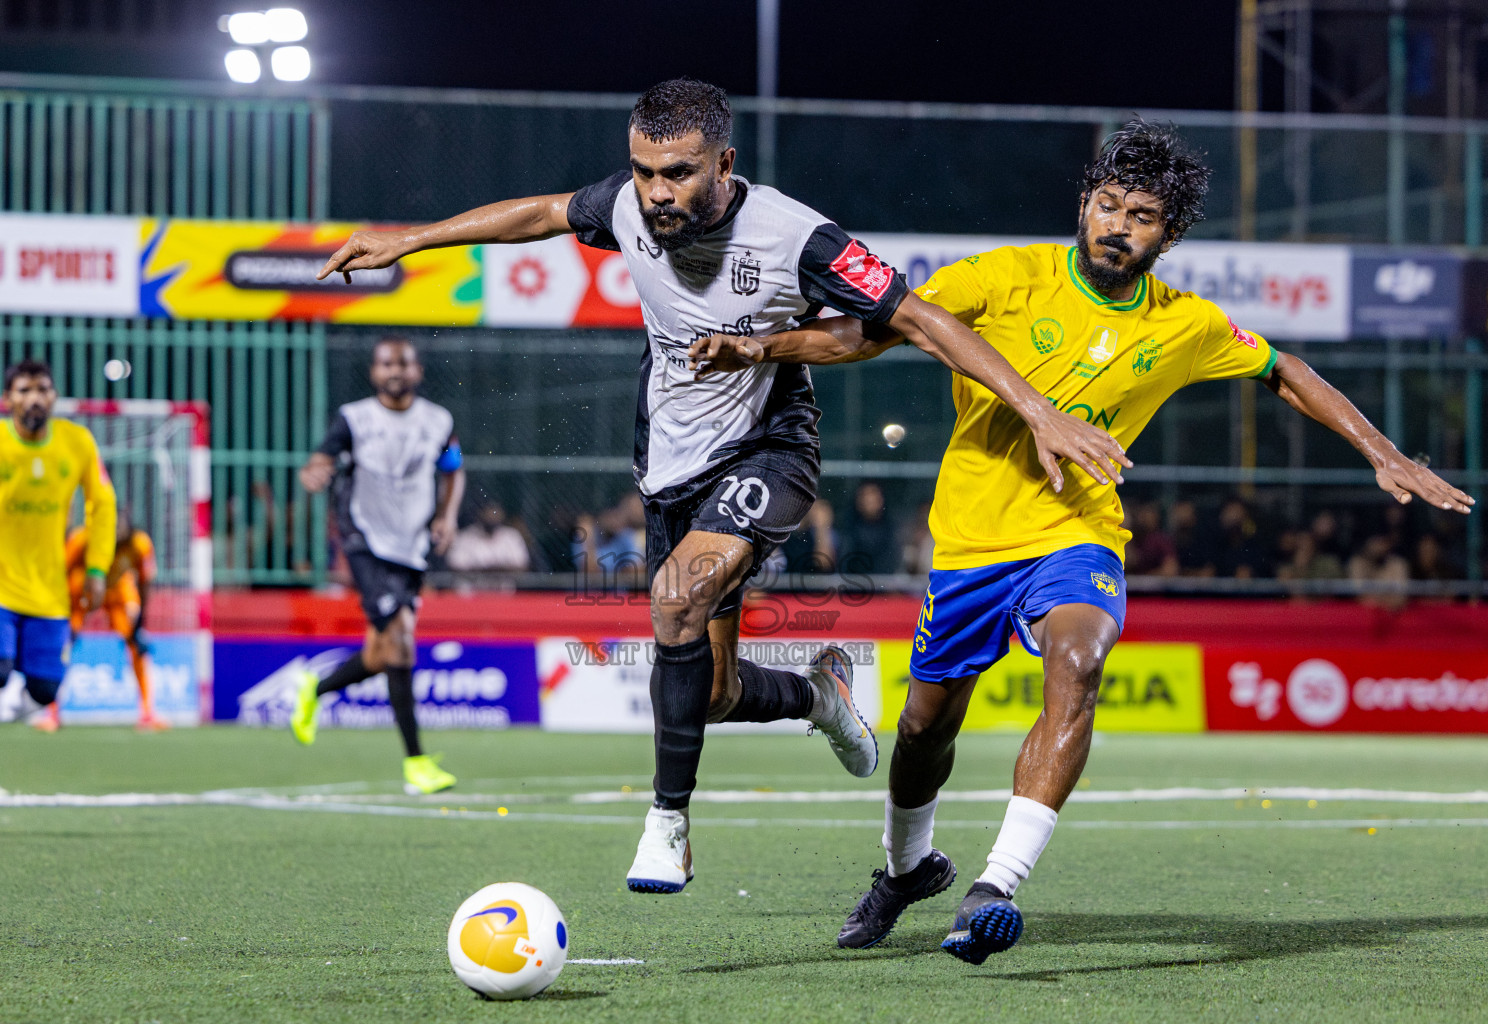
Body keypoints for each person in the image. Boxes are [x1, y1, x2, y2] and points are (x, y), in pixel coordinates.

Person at [691, 119, 1475, 962]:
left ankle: (996, 884)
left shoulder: (1186, 325)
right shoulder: (1006, 276)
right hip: (969, 545)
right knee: (924, 729)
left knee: (1080, 662)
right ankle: (906, 868)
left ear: (1167, 235)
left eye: (1140, 216)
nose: (1117, 225)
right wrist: (761, 345)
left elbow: (1282, 369)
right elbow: (867, 333)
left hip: (1080, 535)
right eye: (1107, 205)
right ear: (1084, 204)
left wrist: (1384, 452)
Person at [320, 78, 1126, 894]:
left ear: (724, 163)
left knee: (675, 598)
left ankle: (668, 823)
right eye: (643, 172)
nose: (657, 192)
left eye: (677, 173)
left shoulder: (797, 236)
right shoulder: (627, 207)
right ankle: (819, 697)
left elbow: (917, 319)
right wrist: (410, 240)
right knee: (707, 692)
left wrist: (1037, 412)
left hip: (770, 448)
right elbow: (539, 213)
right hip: (671, 465)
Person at [290, 337, 465, 796]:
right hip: (365, 539)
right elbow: (322, 457)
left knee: (380, 652)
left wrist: (446, 516)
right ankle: (416, 764)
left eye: (404, 363)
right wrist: (315, 470)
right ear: (374, 372)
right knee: (402, 642)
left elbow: (453, 468)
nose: (396, 370)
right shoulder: (355, 418)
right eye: (387, 363)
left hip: (413, 544)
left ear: (417, 372)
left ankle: (314, 689)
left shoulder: (438, 420)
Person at [0, 359, 118, 799]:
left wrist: (98, 567)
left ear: (54, 396)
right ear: (8, 400)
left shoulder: (76, 443)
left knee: (43, 691)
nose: (34, 398)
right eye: (24, 390)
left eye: (42, 388)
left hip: (48, 588)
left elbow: (102, 505)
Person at [36, 507, 164, 732]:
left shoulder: (139, 545)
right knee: (63, 645)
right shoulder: (81, 539)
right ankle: (52, 713)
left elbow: (144, 584)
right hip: (81, 592)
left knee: (137, 645)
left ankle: (147, 713)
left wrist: (139, 623)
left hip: (116, 591)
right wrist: (62, 617)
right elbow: (59, 575)